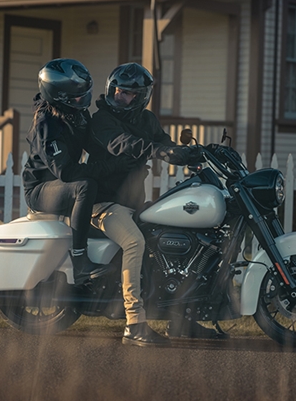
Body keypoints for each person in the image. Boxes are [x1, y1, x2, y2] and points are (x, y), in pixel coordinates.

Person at [90, 62, 224, 343]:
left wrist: (195, 154)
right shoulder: (102, 121)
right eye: (118, 91)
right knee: (134, 242)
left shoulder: (146, 120)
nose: (120, 97)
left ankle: (182, 321)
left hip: (133, 204)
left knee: (180, 239)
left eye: (127, 93)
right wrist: (160, 150)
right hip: (103, 204)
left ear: (141, 96)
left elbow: (165, 143)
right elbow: (125, 144)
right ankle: (134, 324)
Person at [22, 58, 128, 287]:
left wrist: (124, 151)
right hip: (40, 190)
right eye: (78, 97)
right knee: (85, 186)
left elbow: (95, 145)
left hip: (61, 186)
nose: (83, 100)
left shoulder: (76, 114)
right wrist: (107, 167)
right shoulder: (46, 125)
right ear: (59, 97)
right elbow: (67, 172)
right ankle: (80, 260)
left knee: (100, 182)